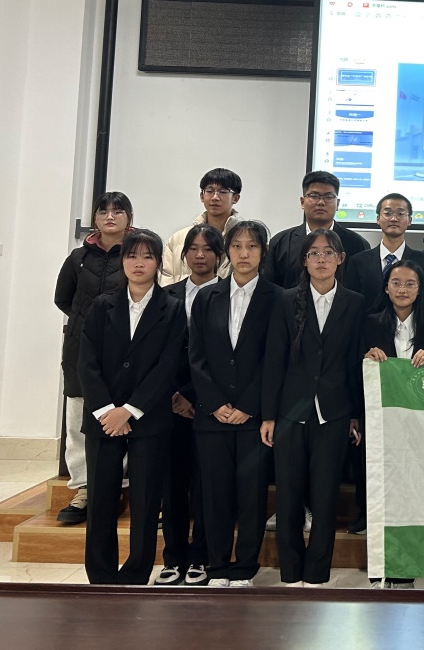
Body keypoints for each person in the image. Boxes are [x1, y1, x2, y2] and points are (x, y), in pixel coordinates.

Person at [77, 228, 185, 585]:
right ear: (122, 261)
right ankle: (101, 576)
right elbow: (86, 362)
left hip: (148, 418)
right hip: (103, 419)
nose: (139, 263)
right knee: (101, 499)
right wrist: (107, 410)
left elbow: (167, 367)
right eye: (132, 256)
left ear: (159, 263)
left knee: (145, 500)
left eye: (147, 257)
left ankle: (136, 573)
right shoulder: (101, 305)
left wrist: (131, 409)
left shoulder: (172, 309)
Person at [261, 229, 367, 587]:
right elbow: (273, 360)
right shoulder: (285, 300)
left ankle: (317, 572)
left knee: (325, 496)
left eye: (328, 252)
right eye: (314, 253)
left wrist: (355, 414)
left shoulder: (354, 302)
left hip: (334, 412)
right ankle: (291, 572)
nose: (321, 259)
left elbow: (354, 362)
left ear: (341, 259)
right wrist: (269, 415)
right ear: (304, 261)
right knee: (289, 495)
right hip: (290, 412)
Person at [187, 220, 277, 586]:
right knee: (214, 495)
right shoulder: (207, 297)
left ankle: (244, 567)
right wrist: (214, 402)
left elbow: (275, 359)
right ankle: (217, 566)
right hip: (213, 416)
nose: (244, 253)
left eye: (252, 247)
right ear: (227, 252)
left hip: (254, 418)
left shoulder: (278, 298)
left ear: (263, 253)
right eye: (237, 246)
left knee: (252, 495)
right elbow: (196, 356)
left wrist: (250, 405)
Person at [360, 259, 424, 589]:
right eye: (396, 283)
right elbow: (353, 367)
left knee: (415, 493)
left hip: (422, 423)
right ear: (386, 288)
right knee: (383, 492)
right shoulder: (368, 323)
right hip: (382, 422)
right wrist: (367, 358)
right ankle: (382, 568)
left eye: (410, 283)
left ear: (420, 289)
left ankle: (409, 566)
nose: (403, 289)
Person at [53, 191, 133, 525]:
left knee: (120, 418)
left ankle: (117, 487)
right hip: (80, 349)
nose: (110, 216)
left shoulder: (137, 253)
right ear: (95, 218)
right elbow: (63, 299)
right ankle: (84, 489)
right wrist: (88, 325)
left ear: (129, 217)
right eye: (103, 211)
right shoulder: (78, 258)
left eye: (118, 211)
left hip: (123, 350)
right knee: (78, 420)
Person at [154, 223, 224, 586]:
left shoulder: (228, 294)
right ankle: (173, 557)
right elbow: (158, 352)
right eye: (193, 249)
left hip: (209, 404)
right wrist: (173, 395)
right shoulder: (166, 295)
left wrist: (195, 396)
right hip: (170, 404)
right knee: (173, 486)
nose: (200, 255)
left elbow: (223, 357)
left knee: (207, 486)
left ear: (219, 256)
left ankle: (201, 556)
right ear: (183, 255)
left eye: (208, 249)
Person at [262, 171, 369, 288]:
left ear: (337, 203)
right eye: (314, 196)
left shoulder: (358, 244)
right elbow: (270, 288)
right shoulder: (280, 242)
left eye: (328, 197)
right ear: (302, 202)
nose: (321, 202)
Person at [343, 192, 424, 313]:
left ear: (409, 220)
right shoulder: (358, 261)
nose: (394, 219)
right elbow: (351, 305)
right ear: (378, 219)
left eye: (400, 214)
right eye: (387, 213)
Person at [162, 168, 243, 285]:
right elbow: (166, 279)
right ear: (202, 196)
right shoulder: (178, 239)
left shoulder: (244, 240)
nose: (215, 197)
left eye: (223, 191)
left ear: (235, 198)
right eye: (210, 191)